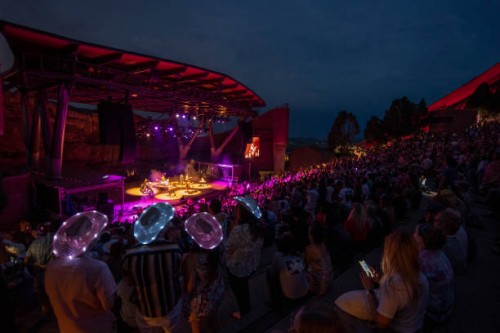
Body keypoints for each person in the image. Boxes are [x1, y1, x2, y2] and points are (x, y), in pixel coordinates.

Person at [335, 229, 429, 333]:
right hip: (414, 325)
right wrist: (380, 280)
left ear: (391, 254)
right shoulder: (419, 274)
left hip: (398, 330)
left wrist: (369, 289)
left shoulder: (394, 286)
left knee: (340, 308)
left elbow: (381, 324)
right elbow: (401, 297)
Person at [45, 211, 117, 333]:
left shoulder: (51, 268)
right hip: (96, 328)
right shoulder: (98, 268)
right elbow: (108, 304)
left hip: (66, 328)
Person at [122, 202, 182, 332]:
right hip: (170, 308)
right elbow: (178, 274)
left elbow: (128, 282)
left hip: (145, 310)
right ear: (163, 227)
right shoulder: (173, 249)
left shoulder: (129, 254)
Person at [182, 212, 225, 333]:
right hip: (217, 291)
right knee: (213, 318)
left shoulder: (193, 257)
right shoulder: (220, 247)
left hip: (201, 300)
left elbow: (190, 287)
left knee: (197, 327)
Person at [225, 195, 264, 319]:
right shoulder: (258, 227)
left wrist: (233, 228)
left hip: (237, 268)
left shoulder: (239, 230)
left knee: (239, 291)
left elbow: (228, 249)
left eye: (237, 209)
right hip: (251, 265)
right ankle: (246, 308)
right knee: (244, 287)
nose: (235, 211)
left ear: (242, 213)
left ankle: (244, 311)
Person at [413, 224, 455, 329]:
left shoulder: (421, 261)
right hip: (446, 306)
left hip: (433, 313)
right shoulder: (439, 254)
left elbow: (404, 285)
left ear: (421, 240)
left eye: (415, 233)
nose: (412, 235)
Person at [267, 232, 308, 309]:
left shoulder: (278, 256)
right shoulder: (299, 255)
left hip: (290, 295)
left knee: (269, 272)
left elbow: (273, 271)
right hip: (305, 290)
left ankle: (274, 300)